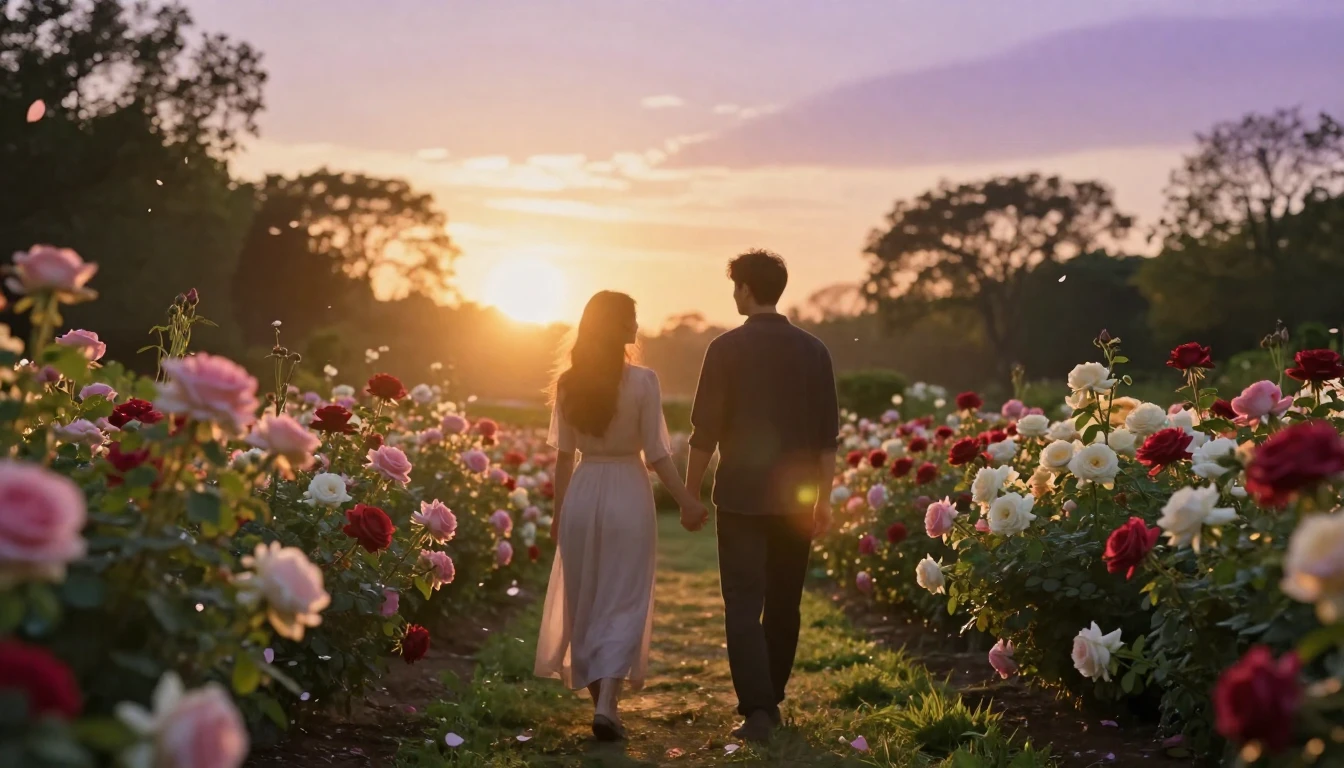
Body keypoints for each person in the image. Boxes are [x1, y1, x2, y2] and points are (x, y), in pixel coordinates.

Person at [534, 290, 708, 742]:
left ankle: (603, 705)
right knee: (624, 599)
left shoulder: (569, 383)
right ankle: (607, 703)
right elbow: (657, 455)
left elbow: (563, 457)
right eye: (630, 319)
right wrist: (687, 501)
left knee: (586, 599)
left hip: (583, 492)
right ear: (614, 327)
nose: (636, 327)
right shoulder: (644, 382)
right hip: (627, 493)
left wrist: (558, 515)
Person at [683, 249, 840, 744]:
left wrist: (690, 493)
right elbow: (827, 439)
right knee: (785, 602)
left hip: (740, 498)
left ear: (746, 289)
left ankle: (759, 707)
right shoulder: (814, 350)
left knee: (742, 603)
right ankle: (770, 698)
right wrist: (824, 500)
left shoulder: (724, 349)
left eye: (736, 286)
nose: (734, 294)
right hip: (796, 500)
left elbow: (704, 434)